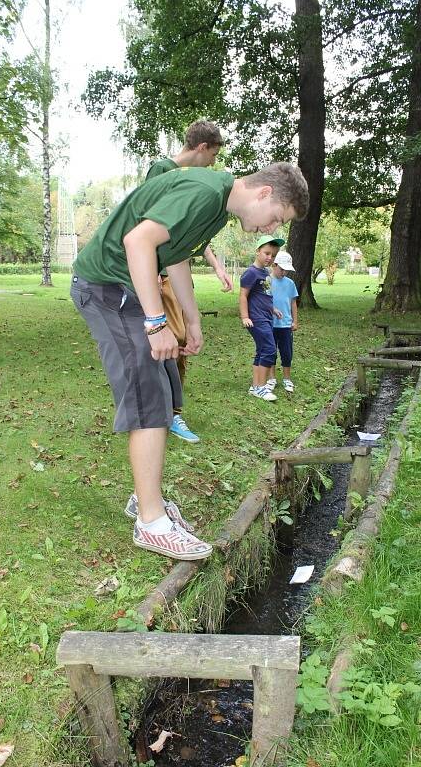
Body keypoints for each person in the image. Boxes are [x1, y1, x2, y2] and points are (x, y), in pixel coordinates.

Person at [71, 162, 309, 560]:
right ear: (265, 193)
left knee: (163, 389)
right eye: (276, 218)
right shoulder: (205, 191)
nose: (269, 230)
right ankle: (151, 523)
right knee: (148, 394)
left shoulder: (217, 205)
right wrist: (154, 322)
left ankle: (145, 500)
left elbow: (175, 256)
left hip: (125, 289)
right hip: (107, 289)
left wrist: (192, 318)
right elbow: (139, 242)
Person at [145, 120, 233, 444]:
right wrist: (151, 273)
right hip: (160, 277)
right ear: (201, 148)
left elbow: (190, 235)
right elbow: (149, 224)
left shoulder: (186, 179)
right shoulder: (162, 170)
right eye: (213, 155)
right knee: (171, 342)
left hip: (176, 273)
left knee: (180, 344)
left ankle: (171, 413)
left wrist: (217, 267)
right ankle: (164, 415)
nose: (213, 163)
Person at [239, 234, 285, 401]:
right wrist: (245, 317)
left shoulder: (265, 272)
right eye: (266, 253)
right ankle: (261, 387)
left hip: (266, 317)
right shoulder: (251, 273)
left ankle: (256, 386)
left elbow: (264, 295)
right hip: (256, 319)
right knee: (270, 350)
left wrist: (273, 309)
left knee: (262, 350)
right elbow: (243, 296)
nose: (269, 257)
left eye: (273, 255)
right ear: (257, 251)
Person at [267, 251, 299, 393]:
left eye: (286, 270)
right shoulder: (267, 281)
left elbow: (293, 303)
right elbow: (263, 301)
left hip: (286, 325)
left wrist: (295, 321)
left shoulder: (290, 283)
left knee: (286, 352)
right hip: (270, 324)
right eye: (281, 269)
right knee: (271, 351)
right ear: (274, 265)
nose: (284, 272)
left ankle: (287, 379)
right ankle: (271, 378)